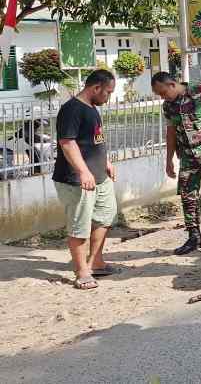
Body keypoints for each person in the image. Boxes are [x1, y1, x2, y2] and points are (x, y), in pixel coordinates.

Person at [52, 69, 118, 290]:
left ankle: (96, 261)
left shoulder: (92, 108)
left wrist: (105, 162)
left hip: (100, 177)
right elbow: (67, 143)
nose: (108, 97)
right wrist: (82, 171)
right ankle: (81, 271)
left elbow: (94, 140)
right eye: (107, 92)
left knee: (105, 217)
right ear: (96, 87)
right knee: (79, 225)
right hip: (76, 180)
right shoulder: (71, 110)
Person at [151, 72, 201, 255]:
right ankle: (194, 236)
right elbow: (171, 132)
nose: (162, 97)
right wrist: (169, 159)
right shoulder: (168, 105)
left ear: (172, 84)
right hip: (187, 156)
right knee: (188, 195)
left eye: (163, 92)